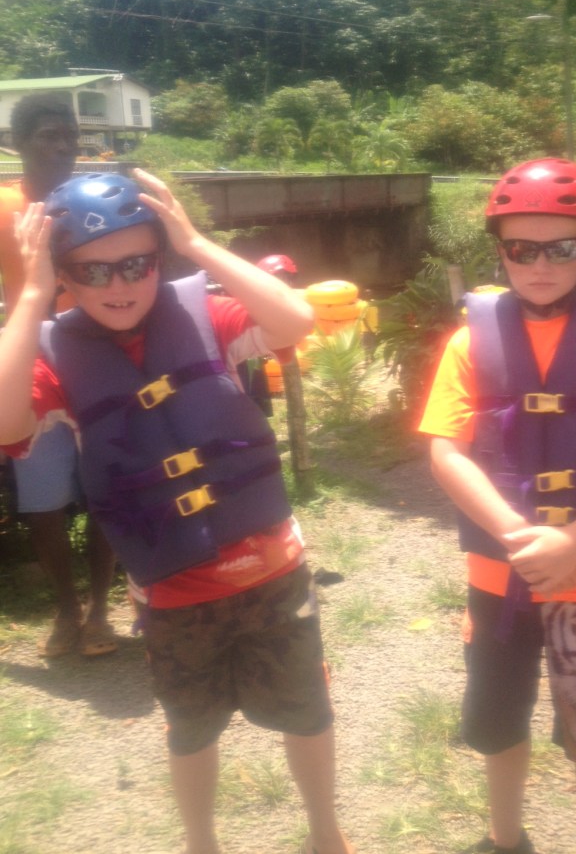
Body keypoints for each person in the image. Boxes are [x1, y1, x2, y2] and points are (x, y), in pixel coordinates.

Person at [0, 169, 353, 854]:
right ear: (64, 273)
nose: (117, 284)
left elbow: (297, 319)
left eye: (136, 262)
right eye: (90, 271)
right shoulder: (54, 355)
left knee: (306, 712)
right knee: (190, 728)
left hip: (271, 570)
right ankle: (200, 842)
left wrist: (196, 241)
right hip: (173, 591)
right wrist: (34, 290)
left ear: (159, 256)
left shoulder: (205, 313)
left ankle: (323, 831)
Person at [419, 158, 576, 854]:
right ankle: (504, 838)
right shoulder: (469, 339)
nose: (538, 264)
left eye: (560, 248)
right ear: (498, 249)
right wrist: (518, 537)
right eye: (519, 248)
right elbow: (447, 451)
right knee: (498, 720)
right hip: (500, 573)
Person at [0, 93, 116, 657]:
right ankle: (65, 613)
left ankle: (100, 611)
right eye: (49, 134)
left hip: (97, 357)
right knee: (40, 498)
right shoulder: (2, 207)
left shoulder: (91, 203)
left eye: (70, 135)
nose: (65, 146)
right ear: (17, 142)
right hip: (34, 366)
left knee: (106, 489)